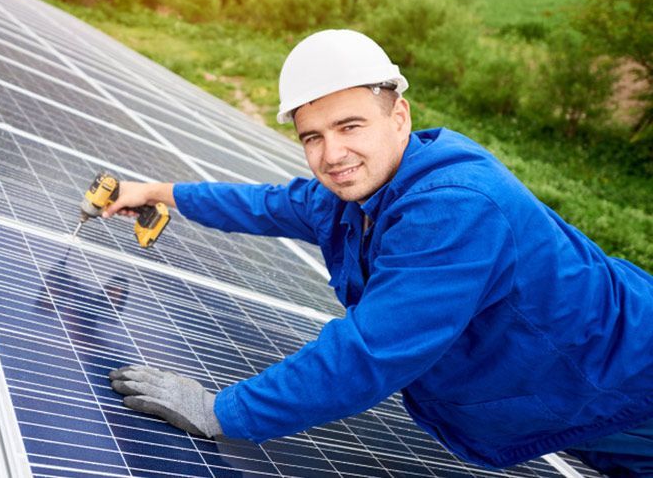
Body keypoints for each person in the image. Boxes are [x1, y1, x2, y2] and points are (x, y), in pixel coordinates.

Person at [105, 29, 653, 477]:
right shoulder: (360, 191)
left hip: (629, 378)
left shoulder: (455, 211)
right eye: (312, 136)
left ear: (399, 117)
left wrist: (221, 411)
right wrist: (156, 193)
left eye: (349, 126)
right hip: (574, 388)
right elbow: (268, 204)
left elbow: (369, 353)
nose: (331, 154)